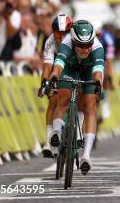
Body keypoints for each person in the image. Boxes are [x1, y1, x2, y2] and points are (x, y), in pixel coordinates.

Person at [47, 20, 104, 174]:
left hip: (89, 70)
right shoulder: (66, 42)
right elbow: (58, 65)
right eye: (80, 45)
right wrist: (53, 77)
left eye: (88, 45)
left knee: (90, 106)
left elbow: (98, 72)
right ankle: (57, 133)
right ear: (72, 40)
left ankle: (86, 155)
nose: (85, 50)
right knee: (63, 99)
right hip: (70, 68)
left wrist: (98, 82)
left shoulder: (98, 47)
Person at [38, 14, 73, 157]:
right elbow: (47, 67)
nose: (61, 37)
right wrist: (44, 85)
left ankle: (75, 131)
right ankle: (49, 140)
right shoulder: (50, 42)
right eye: (58, 33)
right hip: (58, 70)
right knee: (52, 99)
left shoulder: (74, 40)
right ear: (53, 32)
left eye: (65, 33)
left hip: (73, 67)